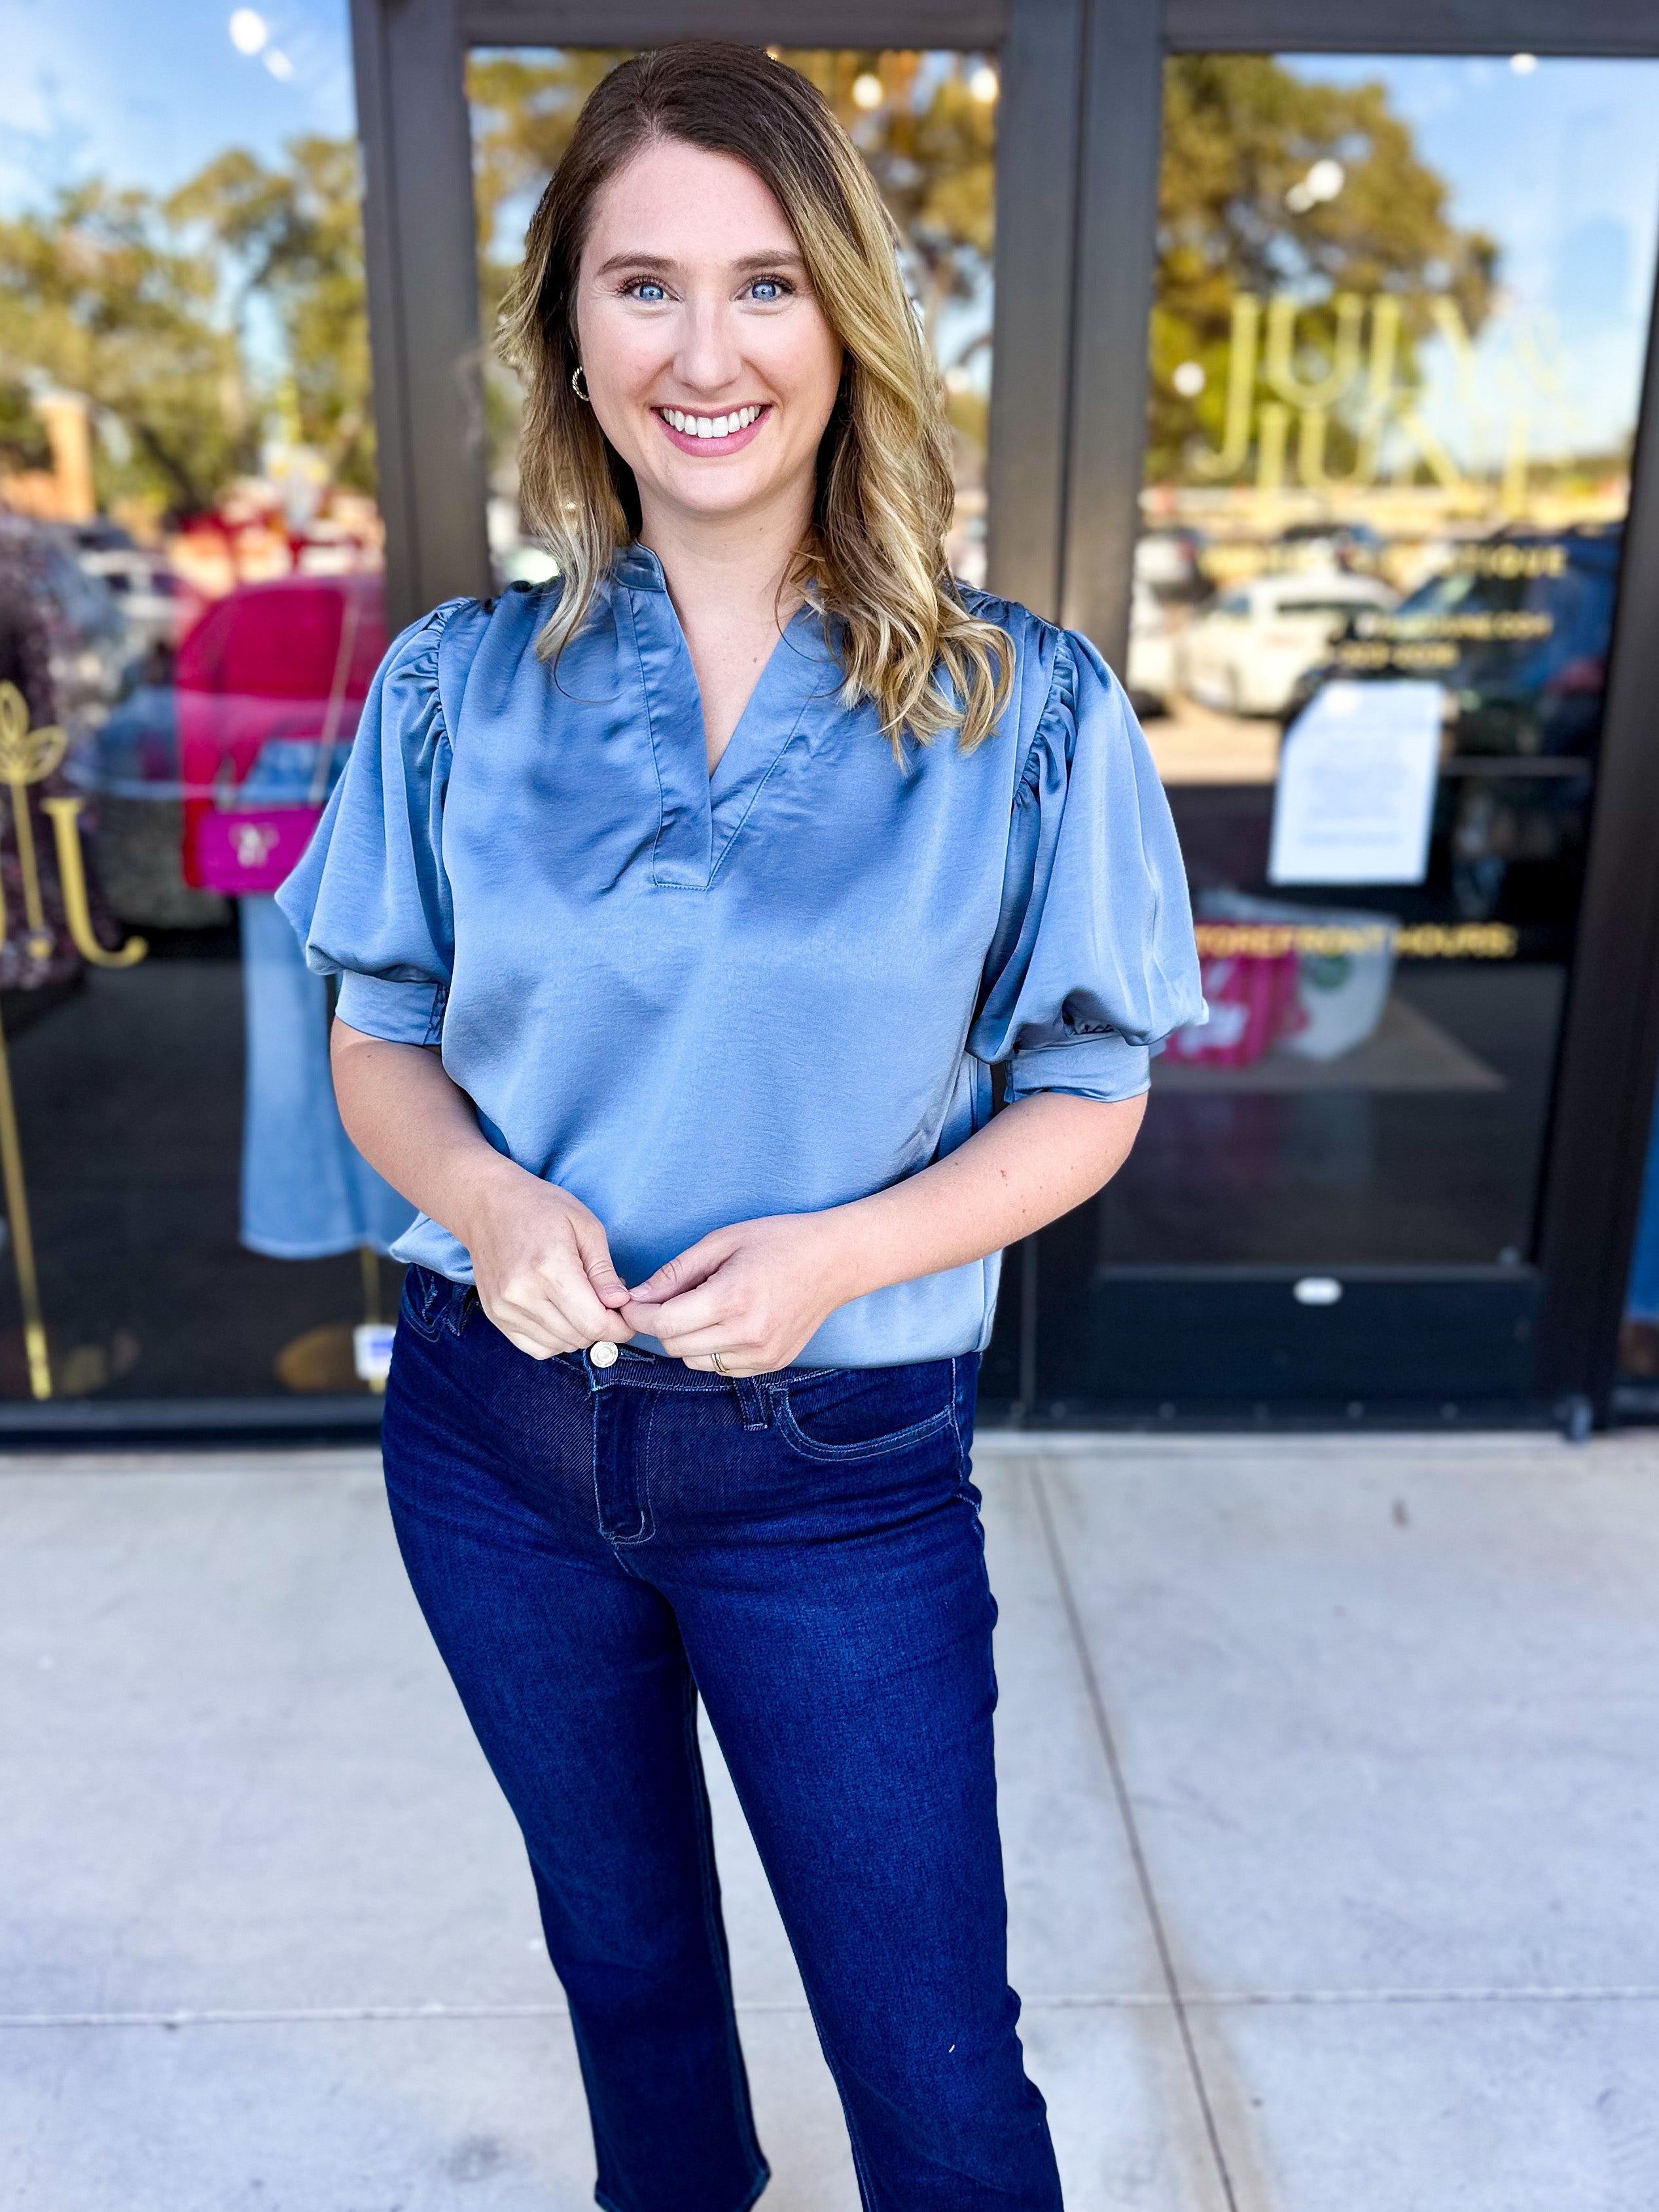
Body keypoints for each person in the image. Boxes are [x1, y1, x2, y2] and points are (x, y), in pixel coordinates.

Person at [279, 41, 1202, 2211]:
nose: (707, 354)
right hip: (495, 1448)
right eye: (646, 286)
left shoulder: (1018, 708)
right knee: (631, 1994)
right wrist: (483, 1193)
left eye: (766, 284)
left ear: (847, 322)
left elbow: (1090, 1087)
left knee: (936, 2075)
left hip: (834, 1480)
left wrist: (844, 1252)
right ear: (569, 334)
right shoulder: (450, 690)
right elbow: (379, 1033)